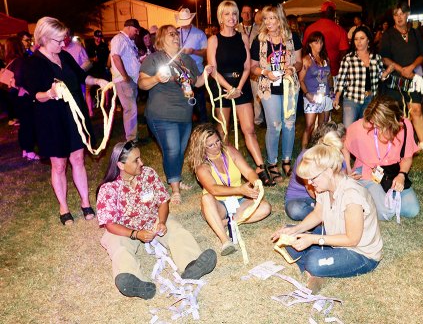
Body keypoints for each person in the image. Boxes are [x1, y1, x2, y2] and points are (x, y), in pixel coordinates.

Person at [96, 141, 217, 300]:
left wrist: (161, 221)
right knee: (119, 246)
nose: (142, 162)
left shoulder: (148, 174)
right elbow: (110, 225)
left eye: (140, 158)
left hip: (152, 220)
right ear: (120, 165)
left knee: (175, 229)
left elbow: (162, 201)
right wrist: (135, 234)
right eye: (136, 160)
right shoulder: (109, 188)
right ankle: (132, 280)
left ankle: (192, 264)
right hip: (123, 229)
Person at [272, 130, 383, 293]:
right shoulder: (323, 187)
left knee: (313, 260)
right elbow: (318, 214)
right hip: (337, 237)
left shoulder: (352, 196)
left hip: (361, 254)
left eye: (313, 178)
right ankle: (321, 267)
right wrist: (295, 230)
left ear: (329, 171)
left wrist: (314, 239)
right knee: (289, 236)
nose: (309, 183)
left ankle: (316, 267)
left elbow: (352, 240)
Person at [22, 16, 109, 225]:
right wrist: (50, 93)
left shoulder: (65, 56)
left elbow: (81, 77)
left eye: (64, 40)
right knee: (59, 164)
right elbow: (35, 95)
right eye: (58, 41)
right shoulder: (34, 63)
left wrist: (98, 80)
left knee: (78, 159)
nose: (63, 44)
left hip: (74, 115)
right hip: (51, 120)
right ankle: (63, 207)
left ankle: (86, 202)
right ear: (43, 38)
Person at [138, 25, 214, 205]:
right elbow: (142, 84)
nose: (175, 36)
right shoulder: (154, 59)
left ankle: (175, 178)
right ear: (161, 39)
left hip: (184, 113)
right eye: (171, 34)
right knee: (172, 149)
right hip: (161, 114)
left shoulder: (186, 59)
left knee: (179, 150)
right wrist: (156, 78)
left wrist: (206, 72)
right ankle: (175, 189)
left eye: (176, 34)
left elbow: (197, 83)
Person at [207, 0, 272, 186]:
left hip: (241, 87)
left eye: (234, 13)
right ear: (220, 17)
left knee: (249, 129)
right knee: (223, 132)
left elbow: (246, 67)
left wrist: (239, 88)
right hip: (222, 88)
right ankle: (225, 168)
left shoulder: (243, 37)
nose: (231, 17)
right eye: (227, 14)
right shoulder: (213, 40)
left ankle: (260, 167)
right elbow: (213, 70)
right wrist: (229, 88)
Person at [186, 123, 271, 256]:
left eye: (217, 141)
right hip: (218, 205)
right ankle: (225, 241)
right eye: (211, 145)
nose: (216, 146)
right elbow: (213, 189)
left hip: (239, 201)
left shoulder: (229, 151)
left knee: (265, 208)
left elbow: (249, 172)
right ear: (202, 147)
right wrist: (240, 190)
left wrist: (256, 182)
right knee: (206, 198)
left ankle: (228, 222)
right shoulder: (202, 166)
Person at [344, 96, 420, 220]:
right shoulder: (360, 126)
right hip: (368, 171)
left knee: (412, 210)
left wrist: (401, 175)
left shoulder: (405, 126)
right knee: (386, 213)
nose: (375, 127)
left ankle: (374, 197)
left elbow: (407, 156)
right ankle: (362, 194)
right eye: (374, 123)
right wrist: (347, 169)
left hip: (392, 172)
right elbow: (344, 145)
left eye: (380, 125)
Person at [250, 4, 302, 182]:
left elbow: (300, 62)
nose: (269, 22)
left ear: (280, 19)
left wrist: (292, 69)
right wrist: (266, 73)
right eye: (266, 18)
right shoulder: (259, 40)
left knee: (289, 123)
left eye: (272, 18)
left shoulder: (292, 37)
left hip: (289, 86)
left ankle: (286, 160)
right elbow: (253, 67)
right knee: (275, 125)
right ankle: (272, 163)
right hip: (268, 86)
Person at [379, 2, 423, 154]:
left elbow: (422, 54)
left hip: (413, 77)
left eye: (402, 13)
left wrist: (410, 68)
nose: (399, 17)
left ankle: (422, 141)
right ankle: (400, 144)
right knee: (398, 113)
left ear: (407, 14)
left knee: (416, 109)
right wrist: (401, 69)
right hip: (395, 79)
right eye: (396, 15)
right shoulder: (388, 34)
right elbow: (384, 58)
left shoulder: (415, 33)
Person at [285, 121, 346, 221]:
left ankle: (325, 214)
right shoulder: (307, 157)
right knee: (295, 210)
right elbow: (312, 191)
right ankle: (326, 215)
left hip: (325, 195)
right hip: (302, 197)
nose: (342, 145)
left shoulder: (336, 155)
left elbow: (342, 178)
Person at [334, 26, 390, 128]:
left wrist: (387, 72)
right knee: (349, 129)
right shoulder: (348, 58)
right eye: (356, 39)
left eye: (362, 38)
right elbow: (341, 79)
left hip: (369, 99)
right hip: (352, 98)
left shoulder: (376, 58)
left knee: (365, 129)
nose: (358, 42)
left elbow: (380, 76)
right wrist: (337, 97)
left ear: (368, 40)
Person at [4, 37, 39, 160]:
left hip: (14, 97)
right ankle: (29, 150)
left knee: (24, 124)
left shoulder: (9, 62)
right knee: (28, 123)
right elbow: (20, 78)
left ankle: (25, 149)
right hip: (23, 96)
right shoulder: (20, 61)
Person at [299, 31, 332, 150]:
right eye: (316, 42)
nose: (319, 45)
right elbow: (300, 80)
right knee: (309, 125)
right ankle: (303, 151)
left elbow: (329, 77)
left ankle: (319, 149)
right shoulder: (306, 60)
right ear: (310, 44)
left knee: (323, 126)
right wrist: (307, 94)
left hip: (325, 96)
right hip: (312, 97)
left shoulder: (325, 59)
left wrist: (331, 92)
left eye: (321, 42)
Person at [110, 18, 141, 141]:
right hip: (124, 80)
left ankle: (133, 137)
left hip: (130, 79)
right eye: (135, 30)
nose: (136, 33)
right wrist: (125, 76)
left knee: (132, 109)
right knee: (130, 109)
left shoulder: (128, 41)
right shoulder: (119, 39)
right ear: (128, 27)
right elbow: (116, 57)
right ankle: (131, 139)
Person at [176, 8, 209, 123]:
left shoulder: (199, 34)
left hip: (196, 70)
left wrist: (193, 52)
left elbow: (206, 52)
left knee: (199, 99)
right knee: (185, 99)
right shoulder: (175, 33)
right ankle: (187, 122)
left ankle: (203, 123)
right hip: (180, 70)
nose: (183, 26)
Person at [302, 1, 348, 79]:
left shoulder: (310, 28)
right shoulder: (340, 30)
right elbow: (344, 53)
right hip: (333, 72)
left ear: (321, 13)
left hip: (312, 73)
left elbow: (304, 49)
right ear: (334, 13)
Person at [86, 29, 111, 114]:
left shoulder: (104, 46)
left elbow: (107, 56)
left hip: (102, 70)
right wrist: (93, 59)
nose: (99, 39)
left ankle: (107, 105)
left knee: (106, 87)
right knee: (88, 90)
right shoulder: (90, 46)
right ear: (94, 37)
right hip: (92, 70)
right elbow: (86, 58)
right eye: (97, 37)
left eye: (100, 37)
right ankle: (90, 110)